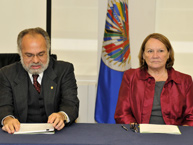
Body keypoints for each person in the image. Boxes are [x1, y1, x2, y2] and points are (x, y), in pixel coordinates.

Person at [0, 27, 79, 134]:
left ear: (48, 51)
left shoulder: (64, 70)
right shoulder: (7, 74)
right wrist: (7, 119)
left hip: (56, 135)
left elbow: (71, 104)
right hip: (19, 135)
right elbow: (4, 106)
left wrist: (62, 115)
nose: (36, 60)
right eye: (29, 55)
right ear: (20, 53)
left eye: (41, 54)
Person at [114, 33, 193, 126]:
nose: (155, 56)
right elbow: (122, 114)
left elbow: (191, 117)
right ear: (143, 55)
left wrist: (180, 134)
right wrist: (136, 131)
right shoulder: (130, 77)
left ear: (168, 54)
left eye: (160, 51)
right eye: (150, 51)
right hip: (139, 134)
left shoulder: (185, 80)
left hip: (174, 136)